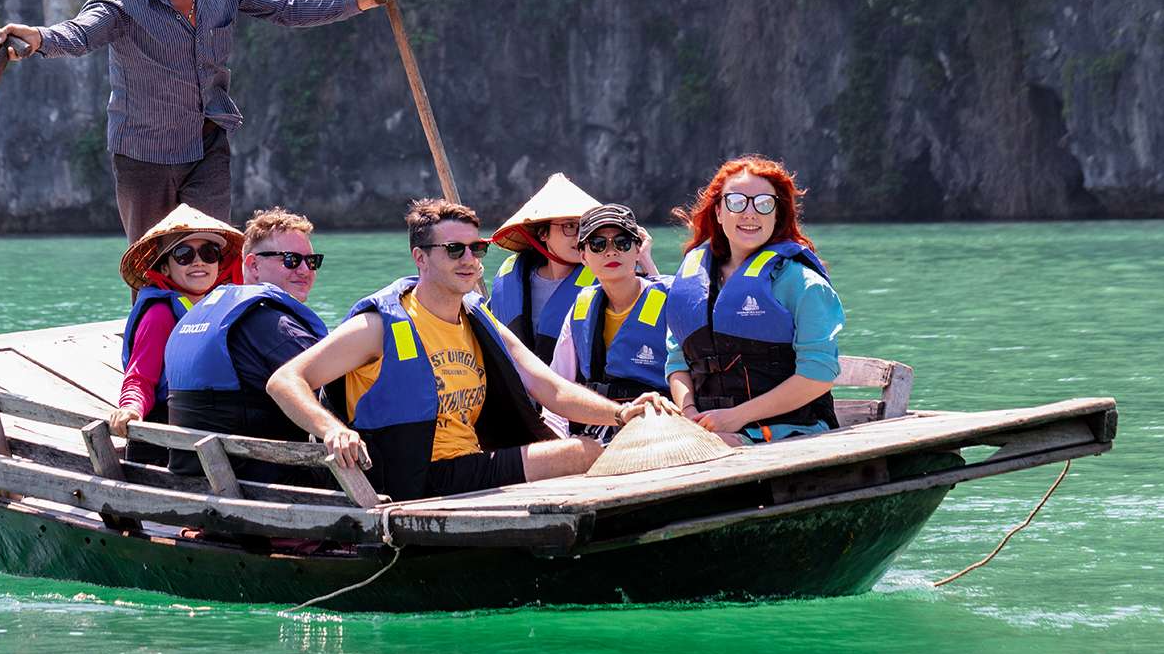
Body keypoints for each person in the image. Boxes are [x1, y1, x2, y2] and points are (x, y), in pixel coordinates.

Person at [0, 0, 404, 241]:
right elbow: (81, 32)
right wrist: (38, 38)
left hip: (207, 143)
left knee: (209, 254)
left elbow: (287, 5)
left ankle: (205, 336)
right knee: (152, 264)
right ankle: (149, 336)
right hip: (143, 152)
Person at [267, 199, 673, 501]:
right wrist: (331, 429)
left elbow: (550, 389)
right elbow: (285, 380)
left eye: (475, 249)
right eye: (454, 250)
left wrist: (622, 413)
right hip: (413, 476)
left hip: (470, 465)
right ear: (420, 258)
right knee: (582, 453)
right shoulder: (379, 327)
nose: (469, 260)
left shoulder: (478, 318)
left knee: (589, 446)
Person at [664, 156, 845, 448]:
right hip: (709, 428)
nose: (750, 213)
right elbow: (676, 360)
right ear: (719, 212)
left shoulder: (802, 283)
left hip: (793, 429)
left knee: (706, 449)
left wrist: (736, 417)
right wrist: (689, 413)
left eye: (763, 204)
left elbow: (818, 376)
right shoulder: (693, 284)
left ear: (778, 214)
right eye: (736, 202)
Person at [163, 207, 330, 486]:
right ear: (253, 265)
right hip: (258, 486)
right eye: (291, 260)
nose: (305, 270)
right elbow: (341, 389)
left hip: (196, 484)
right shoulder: (272, 325)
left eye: (311, 261)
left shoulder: (197, 314)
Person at [111, 204, 242, 441]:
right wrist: (131, 408)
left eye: (209, 253)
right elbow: (140, 378)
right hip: (176, 425)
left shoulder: (223, 307)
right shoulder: (160, 314)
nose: (199, 262)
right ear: (165, 268)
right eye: (184, 255)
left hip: (219, 418)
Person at [547, 204, 672, 436]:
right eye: (598, 244)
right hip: (599, 426)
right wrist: (557, 438)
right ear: (583, 256)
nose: (611, 252)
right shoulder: (581, 308)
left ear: (638, 250)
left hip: (661, 420)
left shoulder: (670, 300)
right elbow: (559, 384)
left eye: (622, 242)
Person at [486, 173, 600, 363]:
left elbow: (650, 315)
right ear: (542, 233)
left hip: (574, 388)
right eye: (570, 226)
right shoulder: (514, 276)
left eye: (586, 227)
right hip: (517, 388)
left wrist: (644, 259)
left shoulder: (605, 277)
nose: (580, 237)